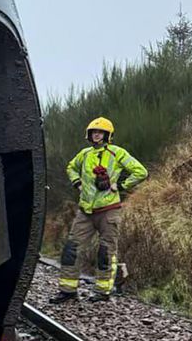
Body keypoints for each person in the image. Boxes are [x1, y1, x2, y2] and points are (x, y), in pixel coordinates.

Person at [49, 117, 148, 304]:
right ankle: (68, 291)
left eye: (100, 132)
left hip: (109, 211)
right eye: (94, 132)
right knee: (71, 250)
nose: (96, 134)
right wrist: (77, 182)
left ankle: (103, 292)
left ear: (107, 135)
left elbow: (141, 171)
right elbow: (71, 167)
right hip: (85, 212)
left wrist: (120, 184)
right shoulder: (85, 154)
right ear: (88, 134)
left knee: (105, 252)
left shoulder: (117, 153)